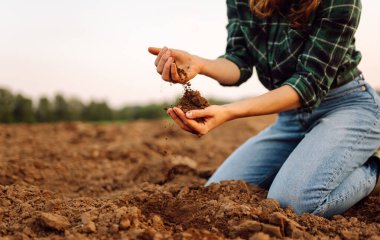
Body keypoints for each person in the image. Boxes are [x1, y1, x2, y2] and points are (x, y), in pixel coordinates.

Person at [148, 0, 380, 218]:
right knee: (219, 190)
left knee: (293, 203)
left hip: (347, 105)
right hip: (290, 117)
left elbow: (309, 84)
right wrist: (200, 64)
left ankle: (371, 168)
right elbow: (238, 61)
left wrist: (228, 112)